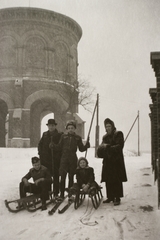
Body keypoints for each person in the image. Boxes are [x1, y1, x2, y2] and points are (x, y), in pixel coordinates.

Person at [52, 120, 90, 199]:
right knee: (62, 176)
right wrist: (53, 146)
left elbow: (81, 149)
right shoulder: (63, 137)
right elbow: (59, 147)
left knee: (71, 176)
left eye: (72, 128)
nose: (70, 129)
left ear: (74, 129)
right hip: (64, 158)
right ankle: (61, 194)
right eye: (69, 128)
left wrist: (86, 146)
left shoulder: (77, 138)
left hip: (72, 158)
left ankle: (70, 193)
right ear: (67, 129)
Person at [97, 118, 127, 206]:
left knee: (116, 179)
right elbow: (101, 148)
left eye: (109, 126)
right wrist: (103, 149)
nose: (108, 128)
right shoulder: (105, 137)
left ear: (112, 126)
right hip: (107, 161)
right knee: (108, 178)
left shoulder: (118, 134)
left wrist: (108, 147)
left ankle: (117, 197)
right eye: (106, 126)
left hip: (116, 161)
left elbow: (119, 146)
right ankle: (110, 197)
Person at [38, 119, 62, 197]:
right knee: (47, 176)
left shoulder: (59, 135)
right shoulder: (45, 134)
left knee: (55, 176)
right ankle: (47, 191)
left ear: (55, 126)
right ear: (47, 126)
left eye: (52, 125)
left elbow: (61, 146)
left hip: (55, 159)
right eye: (49, 126)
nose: (51, 127)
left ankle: (56, 192)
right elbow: (40, 145)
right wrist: (40, 153)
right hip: (45, 159)